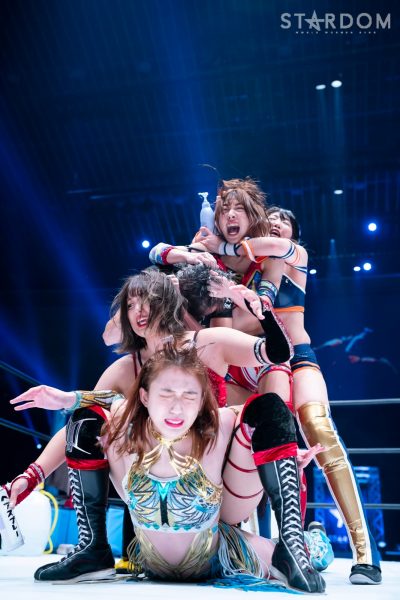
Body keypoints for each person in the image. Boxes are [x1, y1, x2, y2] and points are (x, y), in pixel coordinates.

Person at [3, 269, 323, 590]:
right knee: (87, 416)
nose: (139, 311)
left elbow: (278, 353)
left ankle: (294, 545)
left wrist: (260, 309)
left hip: (217, 477)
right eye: (131, 305)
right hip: (151, 488)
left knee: (269, 408)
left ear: (169, 300)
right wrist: (31, 475)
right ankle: (92, 547)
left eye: (148, 299)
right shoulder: (126, 368)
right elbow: (82, 428)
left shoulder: (207, 342)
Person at [196, 197, 382, 585]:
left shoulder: (292, 256)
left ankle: (366, 552)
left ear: (294, 234)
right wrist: (205, 254)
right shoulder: (237, 266)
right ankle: (246, 544)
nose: (277, 223)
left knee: (317, 426)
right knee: (235, 435)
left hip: (295, 358)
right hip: (244, 366)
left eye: (284, 221)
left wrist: (222, 246)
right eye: (271, 219)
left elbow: (271, 248)